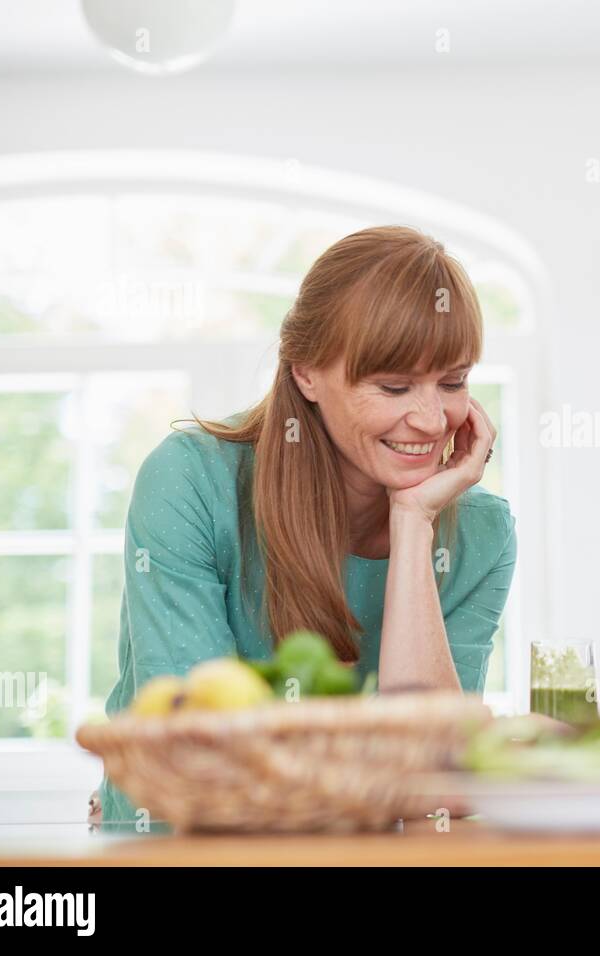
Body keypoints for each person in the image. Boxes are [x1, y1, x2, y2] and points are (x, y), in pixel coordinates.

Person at [97, 225, 515, 824]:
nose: (430, 419)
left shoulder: (480, 533)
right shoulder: (191, 483)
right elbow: (198, 751)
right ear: (307, 372)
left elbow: (437, 784)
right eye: (393, 385)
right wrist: (394, 773)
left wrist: (413, 523)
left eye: (452, 382)